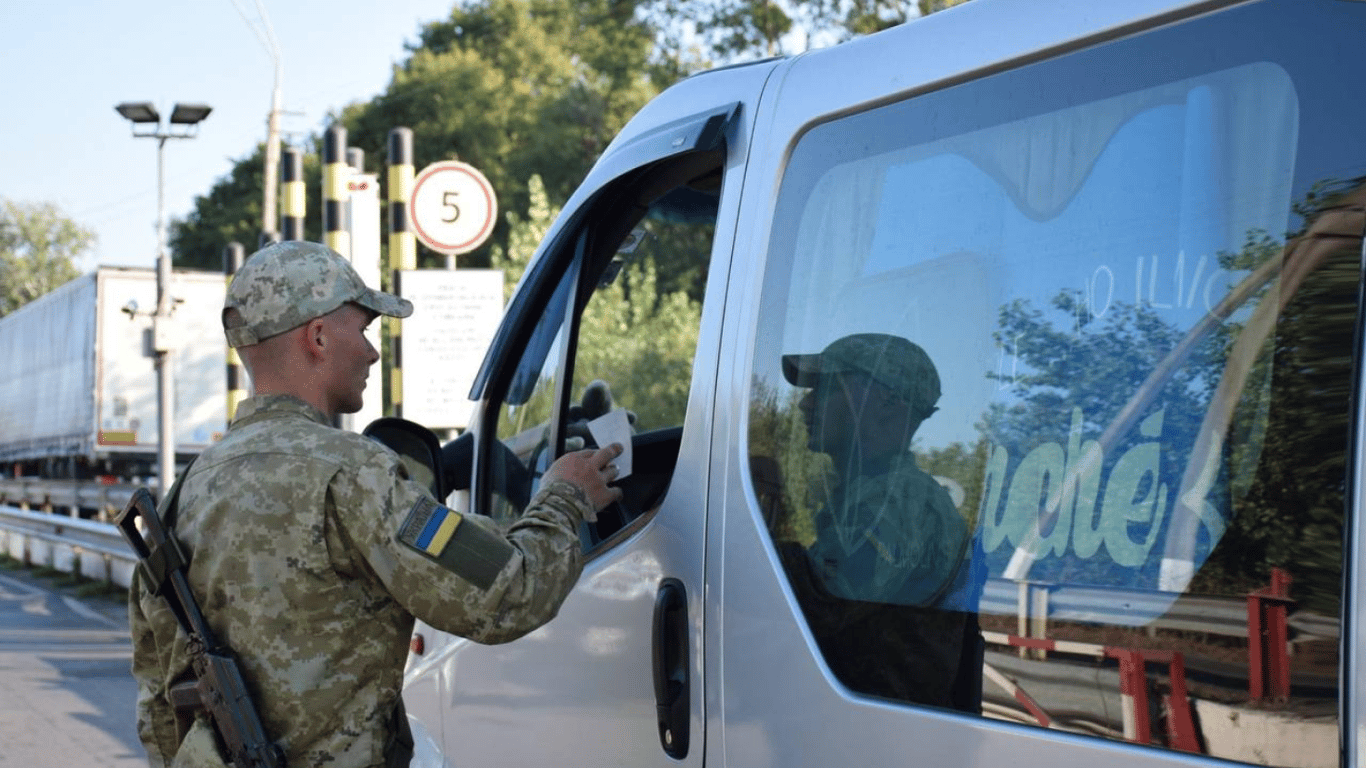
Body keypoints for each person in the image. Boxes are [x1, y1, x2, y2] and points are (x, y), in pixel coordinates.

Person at [129, 241, 623, 768]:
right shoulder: (354, 474)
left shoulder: (188, 490)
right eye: (362, 329)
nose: (371, 351)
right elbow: (508, 593)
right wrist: (565, 498)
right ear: (317, 337)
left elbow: (160, 702)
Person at [777, 332, 978, 709]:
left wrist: (759, 511)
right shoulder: (874, 496)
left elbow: (806, 609)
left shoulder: (900, 502)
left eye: (827, 387)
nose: (805, 405)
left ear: (886, 403)